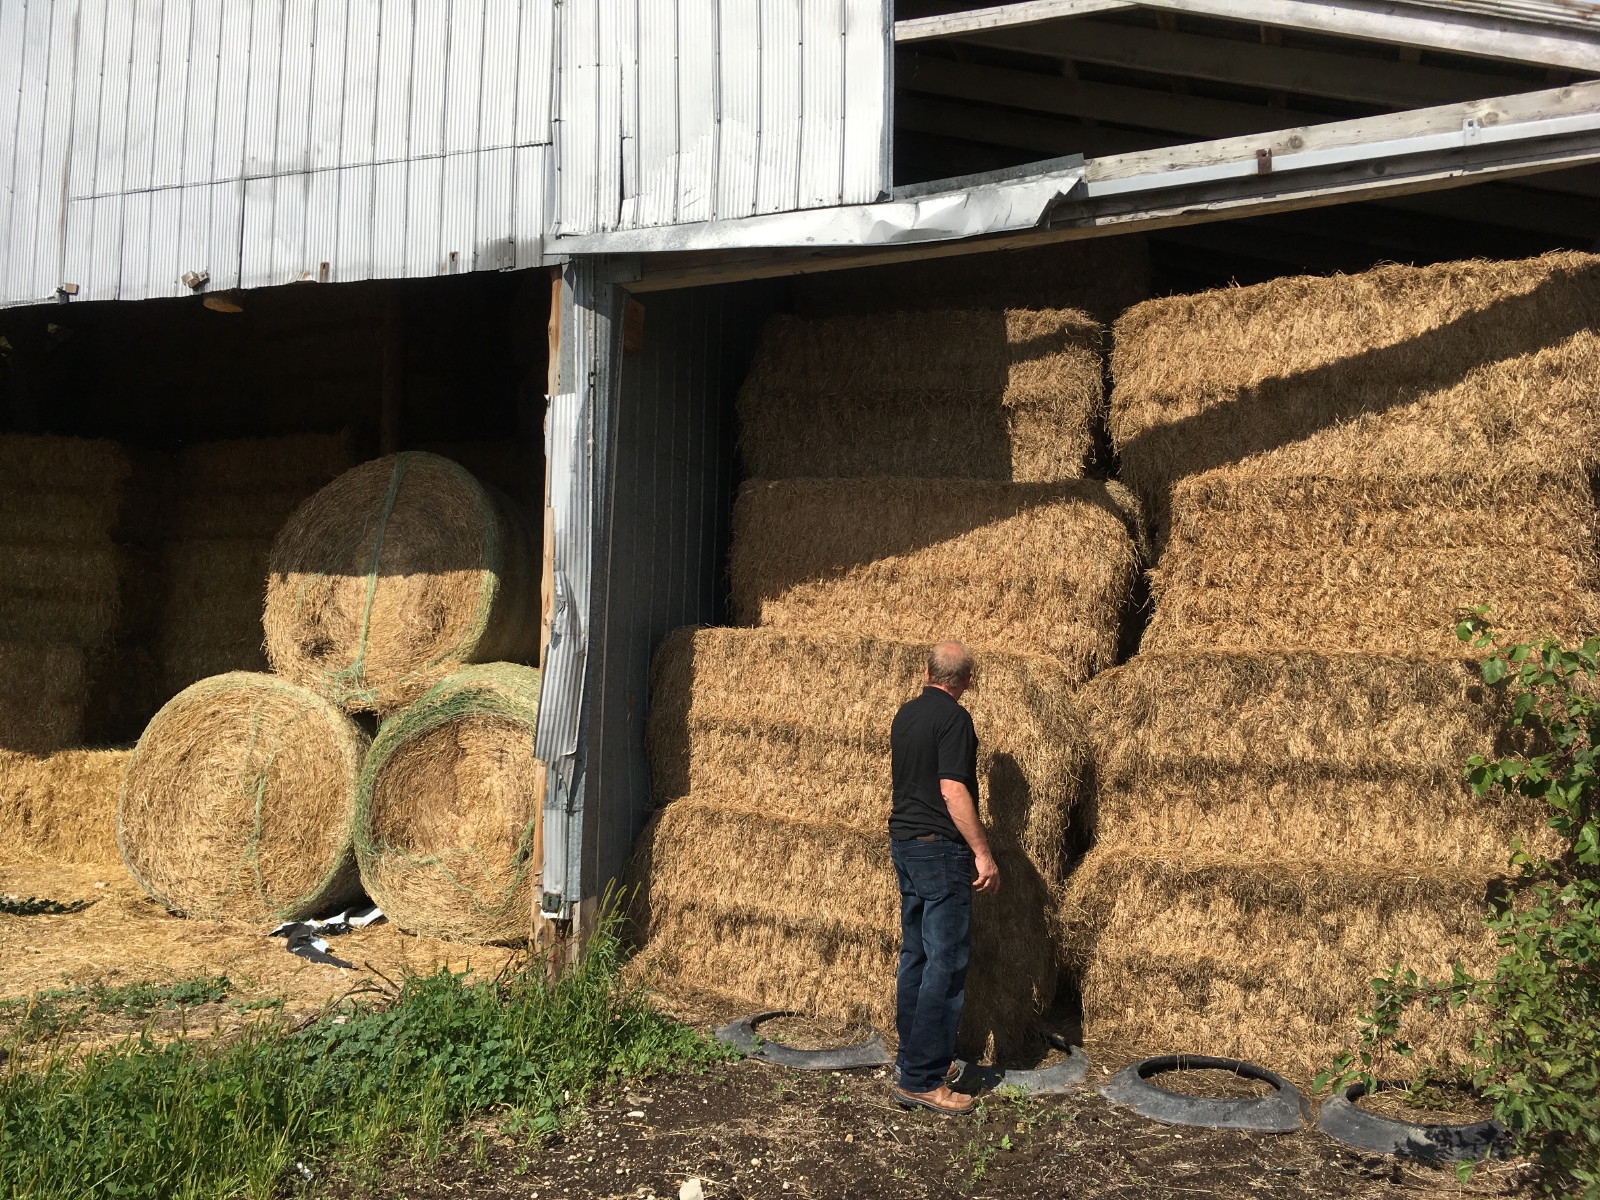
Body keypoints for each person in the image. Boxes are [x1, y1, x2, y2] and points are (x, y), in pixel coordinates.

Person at [888, 640, 1000, 1115]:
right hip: (940, 850)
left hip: (906, 843)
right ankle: (922, 1079)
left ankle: (910, 1061)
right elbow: (952, 790)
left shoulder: (905, 714)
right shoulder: (955, 718)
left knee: (916, 954)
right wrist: (983, 853)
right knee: (945, 964)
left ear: (926, 671)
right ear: (967, 680)